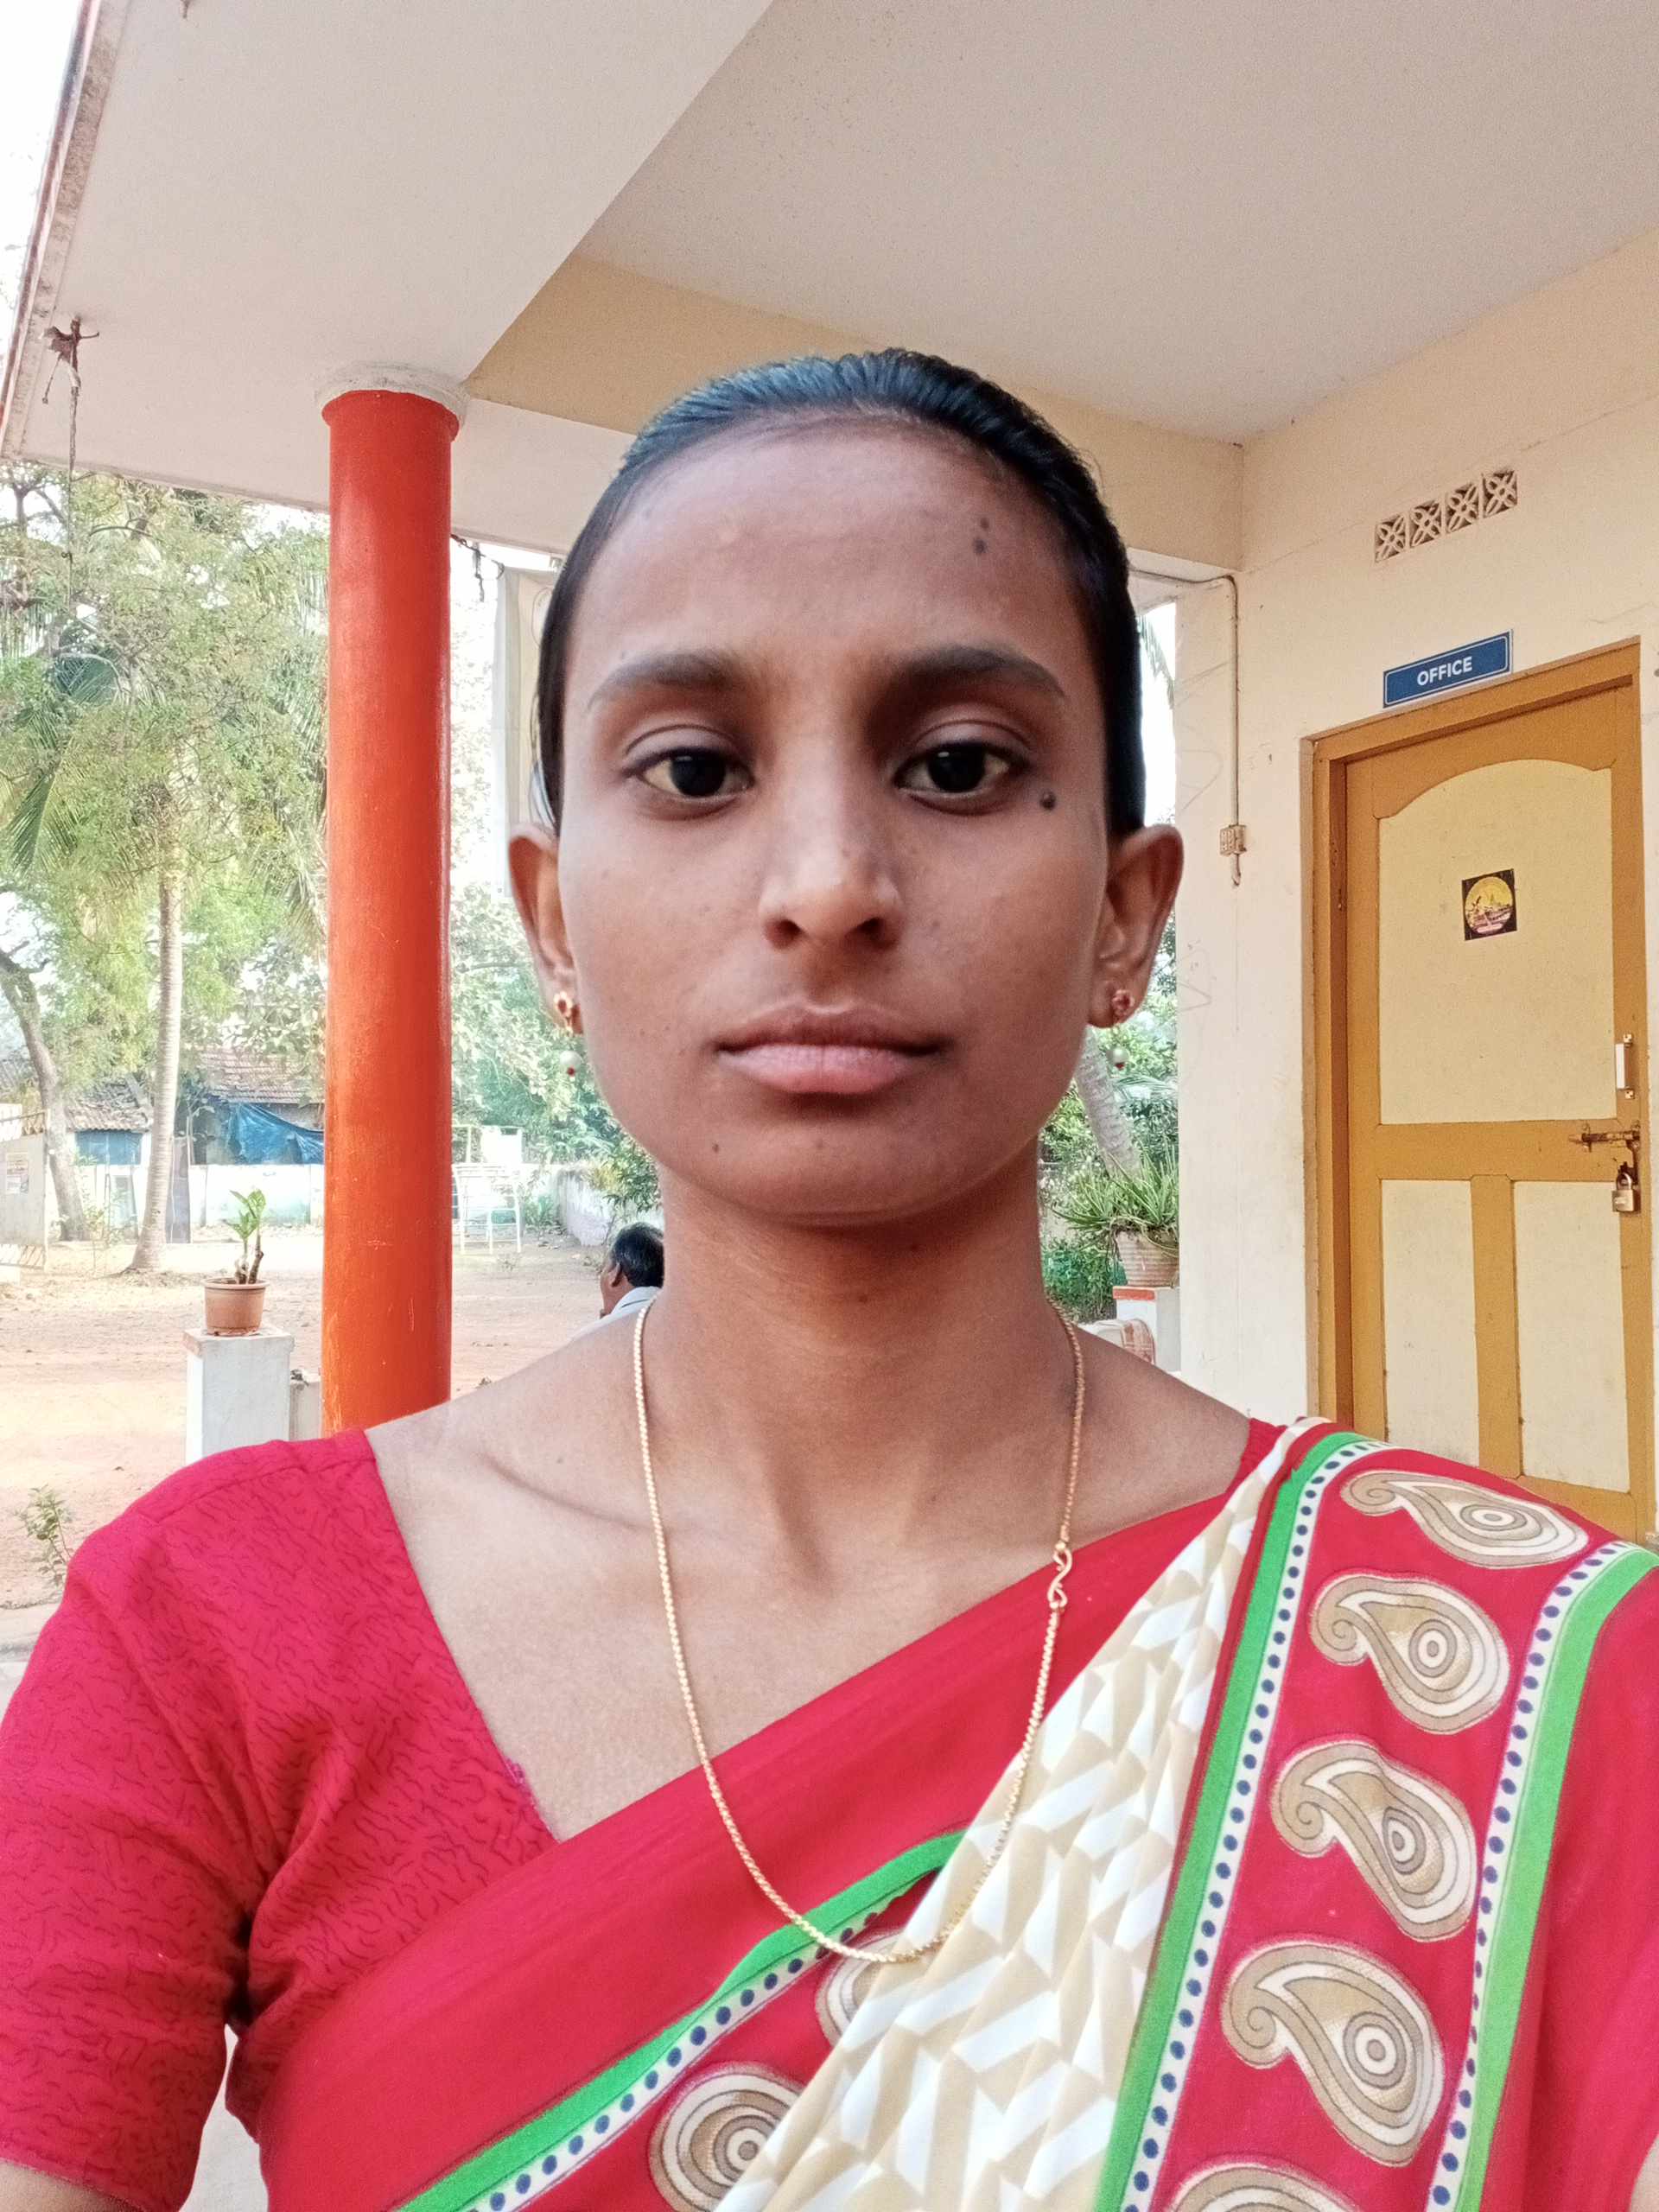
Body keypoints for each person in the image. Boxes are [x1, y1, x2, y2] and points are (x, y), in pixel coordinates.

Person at [1, 350, 1655, 2212]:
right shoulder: (211, 1630)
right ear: (553, 921)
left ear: (1125, 916)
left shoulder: (1511, 1681)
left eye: (959, 766)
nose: (827, 883)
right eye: (694, 770)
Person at [598, 1221, 665, 1322]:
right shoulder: (683, 1320)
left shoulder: (603, 1330)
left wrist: (602, 1326)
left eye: (604, 1267)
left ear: (615, 1273)